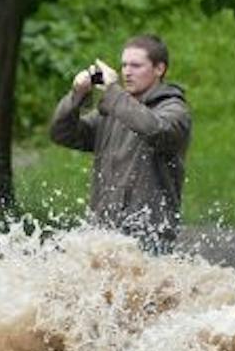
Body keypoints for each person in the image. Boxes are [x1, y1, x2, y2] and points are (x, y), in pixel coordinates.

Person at [48, 33, 192, 250]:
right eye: (124, 65)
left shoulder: (174, 110)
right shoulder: (114, 111)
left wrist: (114, 94)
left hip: (149, 236)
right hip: (104, 232)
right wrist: (77, 95)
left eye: (136, 65)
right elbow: (62, 133)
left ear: (159, 69)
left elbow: (156, 130)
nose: (126, 71)